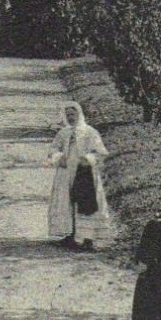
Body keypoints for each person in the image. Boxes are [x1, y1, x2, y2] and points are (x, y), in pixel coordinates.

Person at [47, 101, 109, 251]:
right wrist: (58, 156)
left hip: (85, 172)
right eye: (67, 115)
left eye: (73, 114)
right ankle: (70, 235)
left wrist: (88, 159)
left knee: (85, 203)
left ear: (79, 114)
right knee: (67, 202)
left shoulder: (90, 132)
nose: (70, 117)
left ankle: (88, 238)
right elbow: (53, 149)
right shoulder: (63, 133)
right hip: (66, 173)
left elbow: (100, 152)